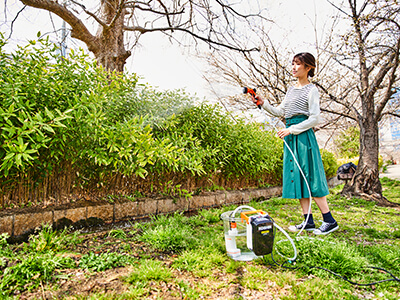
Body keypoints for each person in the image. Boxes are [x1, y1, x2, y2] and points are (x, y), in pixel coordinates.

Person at [251, 52, 339, 235]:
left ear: (309, 68)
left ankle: (329, 221)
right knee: (299, 178)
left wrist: (292, 129)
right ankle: (308, 221)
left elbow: (315, 118)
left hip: (303, 137)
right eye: (292, 63)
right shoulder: (291, 90)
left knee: (310, 177)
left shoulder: (311, 90)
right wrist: (263, 102)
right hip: (291, 136)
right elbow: (279, 111)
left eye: (298, 64)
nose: (293, 67)